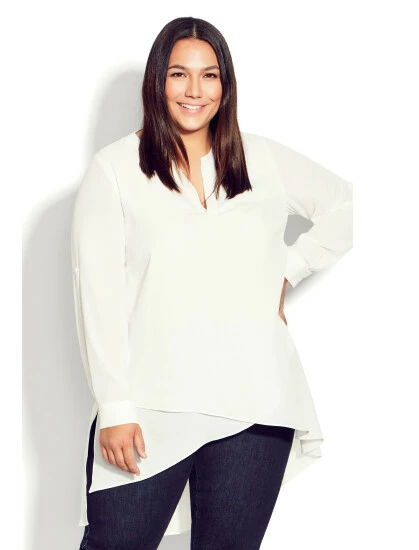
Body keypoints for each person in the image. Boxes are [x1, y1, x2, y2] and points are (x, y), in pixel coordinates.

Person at [70, 16, 353, 550]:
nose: (194, 90)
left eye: (209, 75)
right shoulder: (115, 170)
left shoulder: (260, 158)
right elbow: (97, 298)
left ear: (226, 85)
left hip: (256, 404)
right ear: (158, 81)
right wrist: (115, 408)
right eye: (179, 74)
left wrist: (287, 271)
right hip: (151, 405)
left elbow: (345, 205)